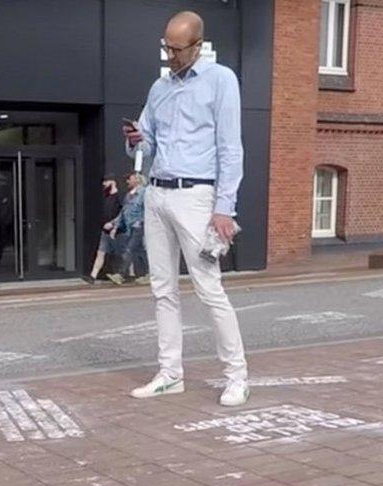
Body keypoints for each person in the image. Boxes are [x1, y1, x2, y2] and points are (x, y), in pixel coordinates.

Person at [123, 11, 249, 406]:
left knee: (209, 288)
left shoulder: (221, 81)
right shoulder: (158, 89)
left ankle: (237, 376)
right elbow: (147, 147)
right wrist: (135, 140)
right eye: (166, 47)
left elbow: (231, 148)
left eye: (177, 49)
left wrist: (224, 208)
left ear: (197, 45)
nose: (170, 55)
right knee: (162, 290)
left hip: (197, 196)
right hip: (157, 193)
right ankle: (170, 374)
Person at [105, 172, 150, 285]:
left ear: (137, 180)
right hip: (131, 227)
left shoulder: (144, 193)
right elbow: (123, 212)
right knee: (139, 251)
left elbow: (149, 210)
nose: (127, 182)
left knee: (129, 249)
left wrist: (143, 222)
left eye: (129, 179)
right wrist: (114, 224)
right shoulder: (128, 195)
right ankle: (146, 274)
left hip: (139, 225)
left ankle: (120, 274)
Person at [83, 174, 124, 284]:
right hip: (106, 231)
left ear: (113, 182)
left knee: (121, 254)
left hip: (117, 231)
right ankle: (93, 276)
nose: (104, 184)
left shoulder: (119, 197)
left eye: (106, 182)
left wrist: (114, 224)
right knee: (101, 252)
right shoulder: (106, 196)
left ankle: (124, 274)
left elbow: (123, 214)